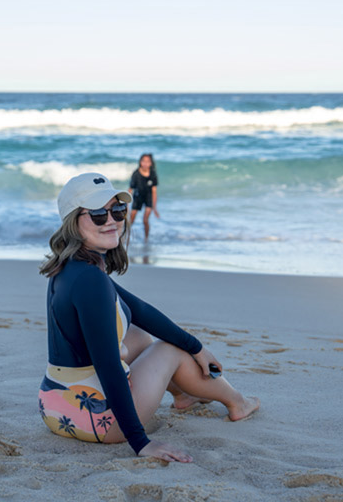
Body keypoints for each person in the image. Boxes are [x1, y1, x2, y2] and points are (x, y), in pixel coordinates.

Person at [38, 173, 259, 462]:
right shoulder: (90, 281)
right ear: (72, 223)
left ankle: (184, 395)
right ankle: (238, 402)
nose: (112, 220)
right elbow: (108, 367)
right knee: (168, 351)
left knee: (139, 337)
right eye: (97, 215)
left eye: (117, 210)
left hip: (56, 405)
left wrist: (197, 347)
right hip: (95, 418)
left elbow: (139, 310)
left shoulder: (73, 267)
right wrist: (140, 442)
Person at [128, 154, 160, 240]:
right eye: (143, 161)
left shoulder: (153, 174)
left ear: (151, 163)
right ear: (140, 162)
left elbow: (154, 192)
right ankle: (125, 237)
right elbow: (130, 189)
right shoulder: (136, 173)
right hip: (138, 196)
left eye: (147, 161)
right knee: (132, 219)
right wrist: (126, 205)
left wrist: (154, 207)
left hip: (148, 197)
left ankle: (146, 239)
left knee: (145, 220)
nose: (145, 163)